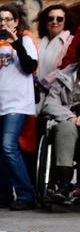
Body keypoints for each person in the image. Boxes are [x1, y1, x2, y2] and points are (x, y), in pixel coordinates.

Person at [0, 2, 39, 210]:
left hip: (17, 102)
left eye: (8, 19)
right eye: (0, 19)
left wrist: (16, 44)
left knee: (8, 146)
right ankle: (4, 193)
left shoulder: (25, 40)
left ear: (16, 22)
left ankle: (26, 193)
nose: (3, 23)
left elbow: (30, 66)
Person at [40, 43, 80, 204]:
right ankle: (64, 184)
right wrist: (70, 117)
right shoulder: (64, 76)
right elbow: (50, 103)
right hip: (68, 120)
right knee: (65, 128)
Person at [36, 4, 75, 108]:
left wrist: (43, 83)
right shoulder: (38, 42)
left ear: (65, 21)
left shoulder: (70, 41)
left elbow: (66, 68)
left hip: (57, 94)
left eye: (59, 19)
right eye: (50, 18)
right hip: (35, 92)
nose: (54, 21)